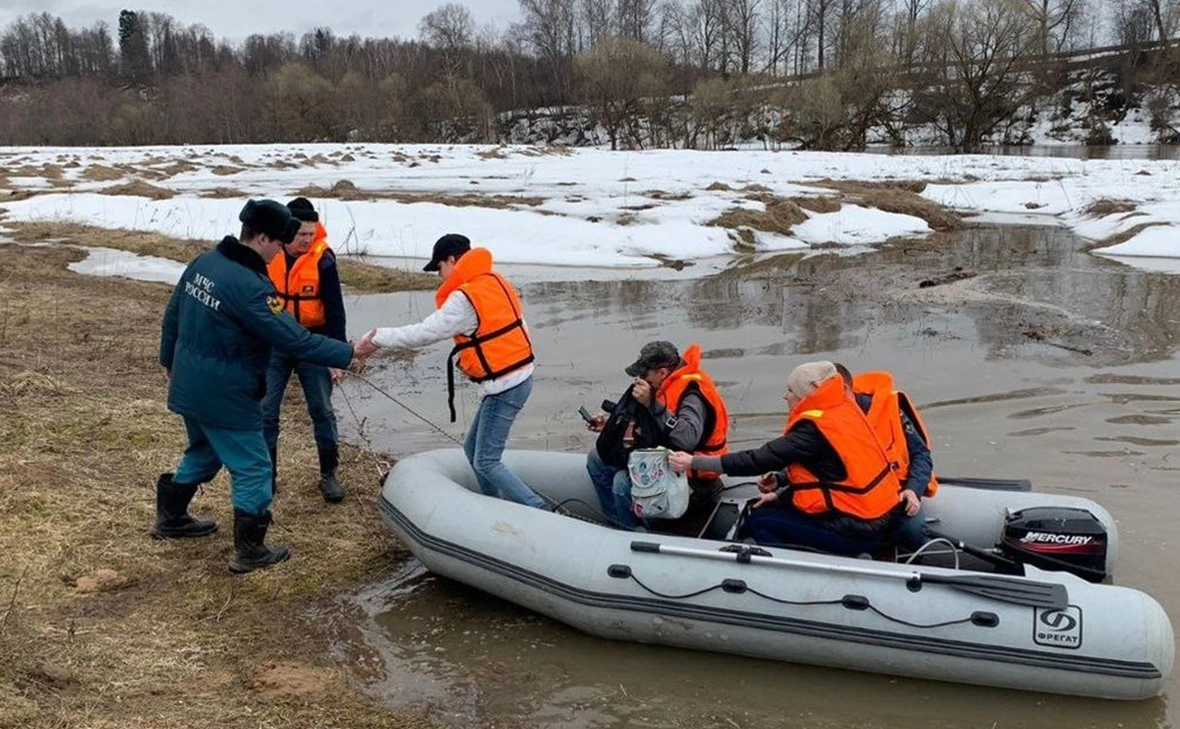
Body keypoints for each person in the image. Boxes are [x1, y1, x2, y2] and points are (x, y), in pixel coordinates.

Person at [157, 199, 364, 574]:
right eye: (279, 243)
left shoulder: (205, 262)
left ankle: (171, 517)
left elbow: (172, 315)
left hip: (190, 384)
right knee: (253, 466)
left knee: (205, 450)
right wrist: (348, 353)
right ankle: (250, 550)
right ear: (263, 238)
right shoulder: (251, 286)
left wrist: (168, 361)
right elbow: (294, 340)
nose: (281, 251)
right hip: (226, 394)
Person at [359, 234, 546, 509]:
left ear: (451, 260)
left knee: (486, 461)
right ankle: (494, 505)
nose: (440, 276)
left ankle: (539, 508)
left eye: (439, 268)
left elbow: (424, 333)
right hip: (520, 377)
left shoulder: (464, 299)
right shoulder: (494, 281)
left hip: (505, 386)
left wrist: (378, 337)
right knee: (473, 451)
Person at [668, 361, 918, 555]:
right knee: (774, 508)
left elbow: (756, 460)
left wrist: (693, 462)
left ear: (804, 395)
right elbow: (832, 473)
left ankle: (799, 574)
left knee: (759, 522)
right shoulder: (844, 413)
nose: (785, 396)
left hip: (855, 530)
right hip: (877, 518)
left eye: (790, 390)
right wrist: (781, 490)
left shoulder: (813, 431)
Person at [586, 341, 729, 530]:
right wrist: (609, 426)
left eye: (644, 374)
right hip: (664, 458)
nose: (641, 379)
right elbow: (654, 428)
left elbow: (688, 438)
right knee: (596, 459)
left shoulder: (691, 395)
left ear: (662, 372)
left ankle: (639, 532)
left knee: (622, 482)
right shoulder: (664, 386)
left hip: (691, 473)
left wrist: (652, 404)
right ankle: (617, 525)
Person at [261, 197, 349, 503]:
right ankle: (266, 476)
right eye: (302, 234)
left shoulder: (324, 259)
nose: (308, 240)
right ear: (287, 231)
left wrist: (336, 354)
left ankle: (329, 475)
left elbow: (335, 310)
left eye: (312, 233)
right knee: (266, 410)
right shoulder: (268, 254)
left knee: (321, 409)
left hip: (313, 342)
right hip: (276, 341)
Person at [835, 363, 936, 550]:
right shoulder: (822, 418)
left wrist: (913, 489)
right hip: (849, 494)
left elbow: (921, 454)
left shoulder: (890, 410)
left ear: (845, 389)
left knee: (911, 531)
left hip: (895, 492)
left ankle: (907, 559)